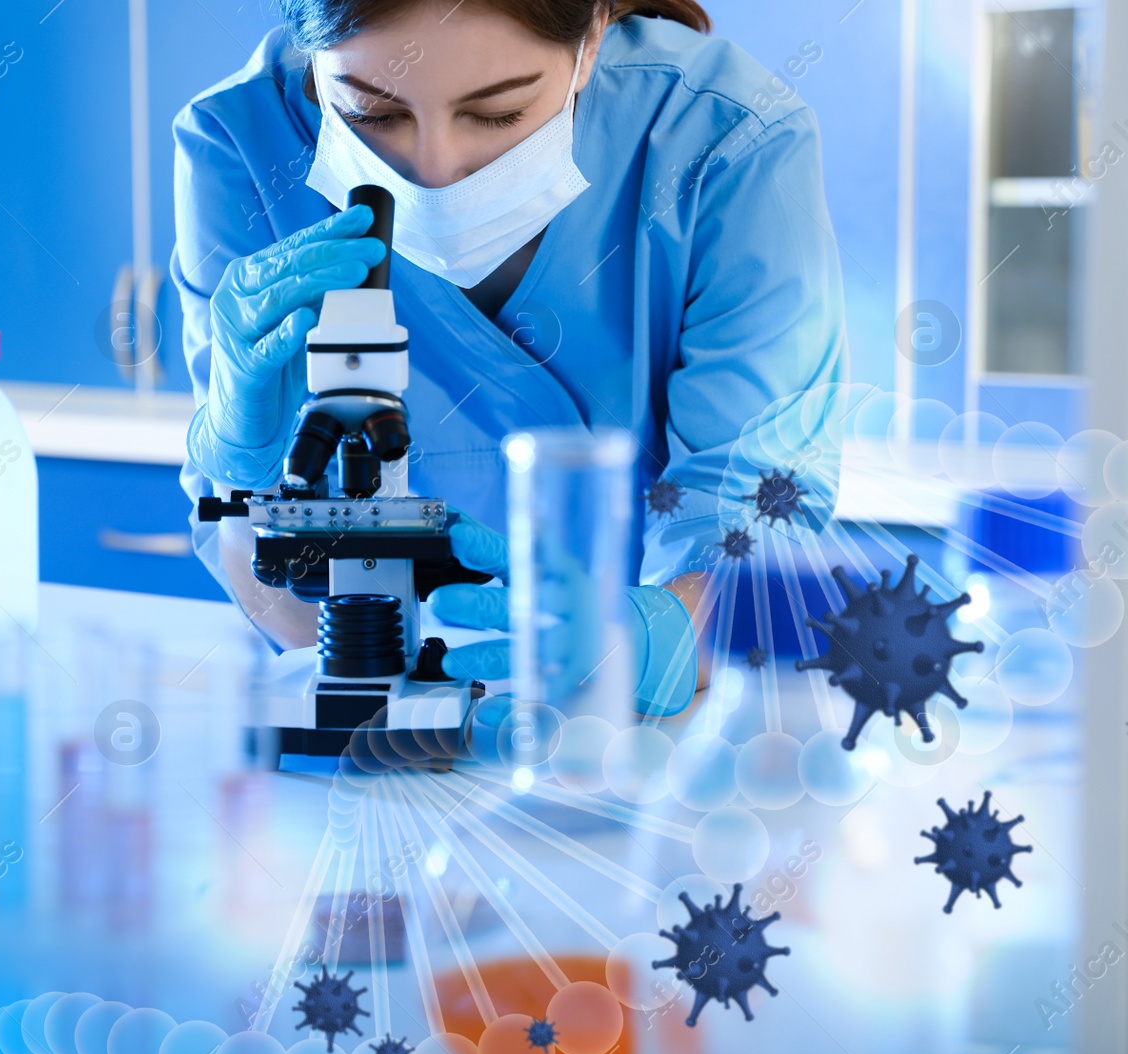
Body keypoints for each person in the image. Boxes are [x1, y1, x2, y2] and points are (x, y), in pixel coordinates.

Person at [172, 0, 845, 716]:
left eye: (496, 115)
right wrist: (244, 473)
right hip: (390, 733)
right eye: (370, 114)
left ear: (590, 38)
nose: (436, 171)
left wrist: (648, 640)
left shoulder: (727, 139)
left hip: (655, 730)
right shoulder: (241, 143)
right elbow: (294, 618)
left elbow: (758, 562)